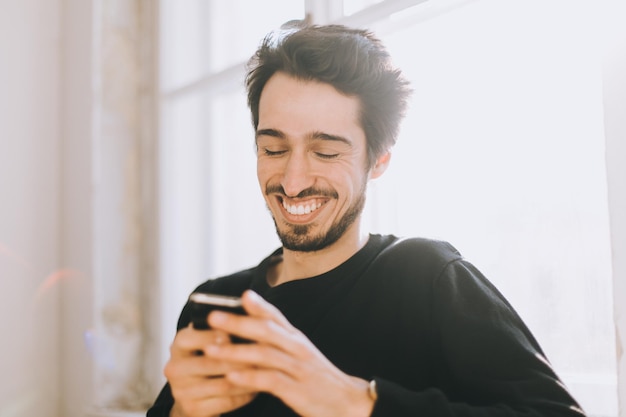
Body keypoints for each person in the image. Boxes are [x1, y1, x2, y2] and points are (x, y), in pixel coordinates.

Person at [147, 24, 585, 417]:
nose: (293, 182)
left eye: (326, 151)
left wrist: (354, 402)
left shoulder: (425, 278)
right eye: (274, 149)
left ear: (377, 161)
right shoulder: (219, 301)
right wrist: (183, 412)